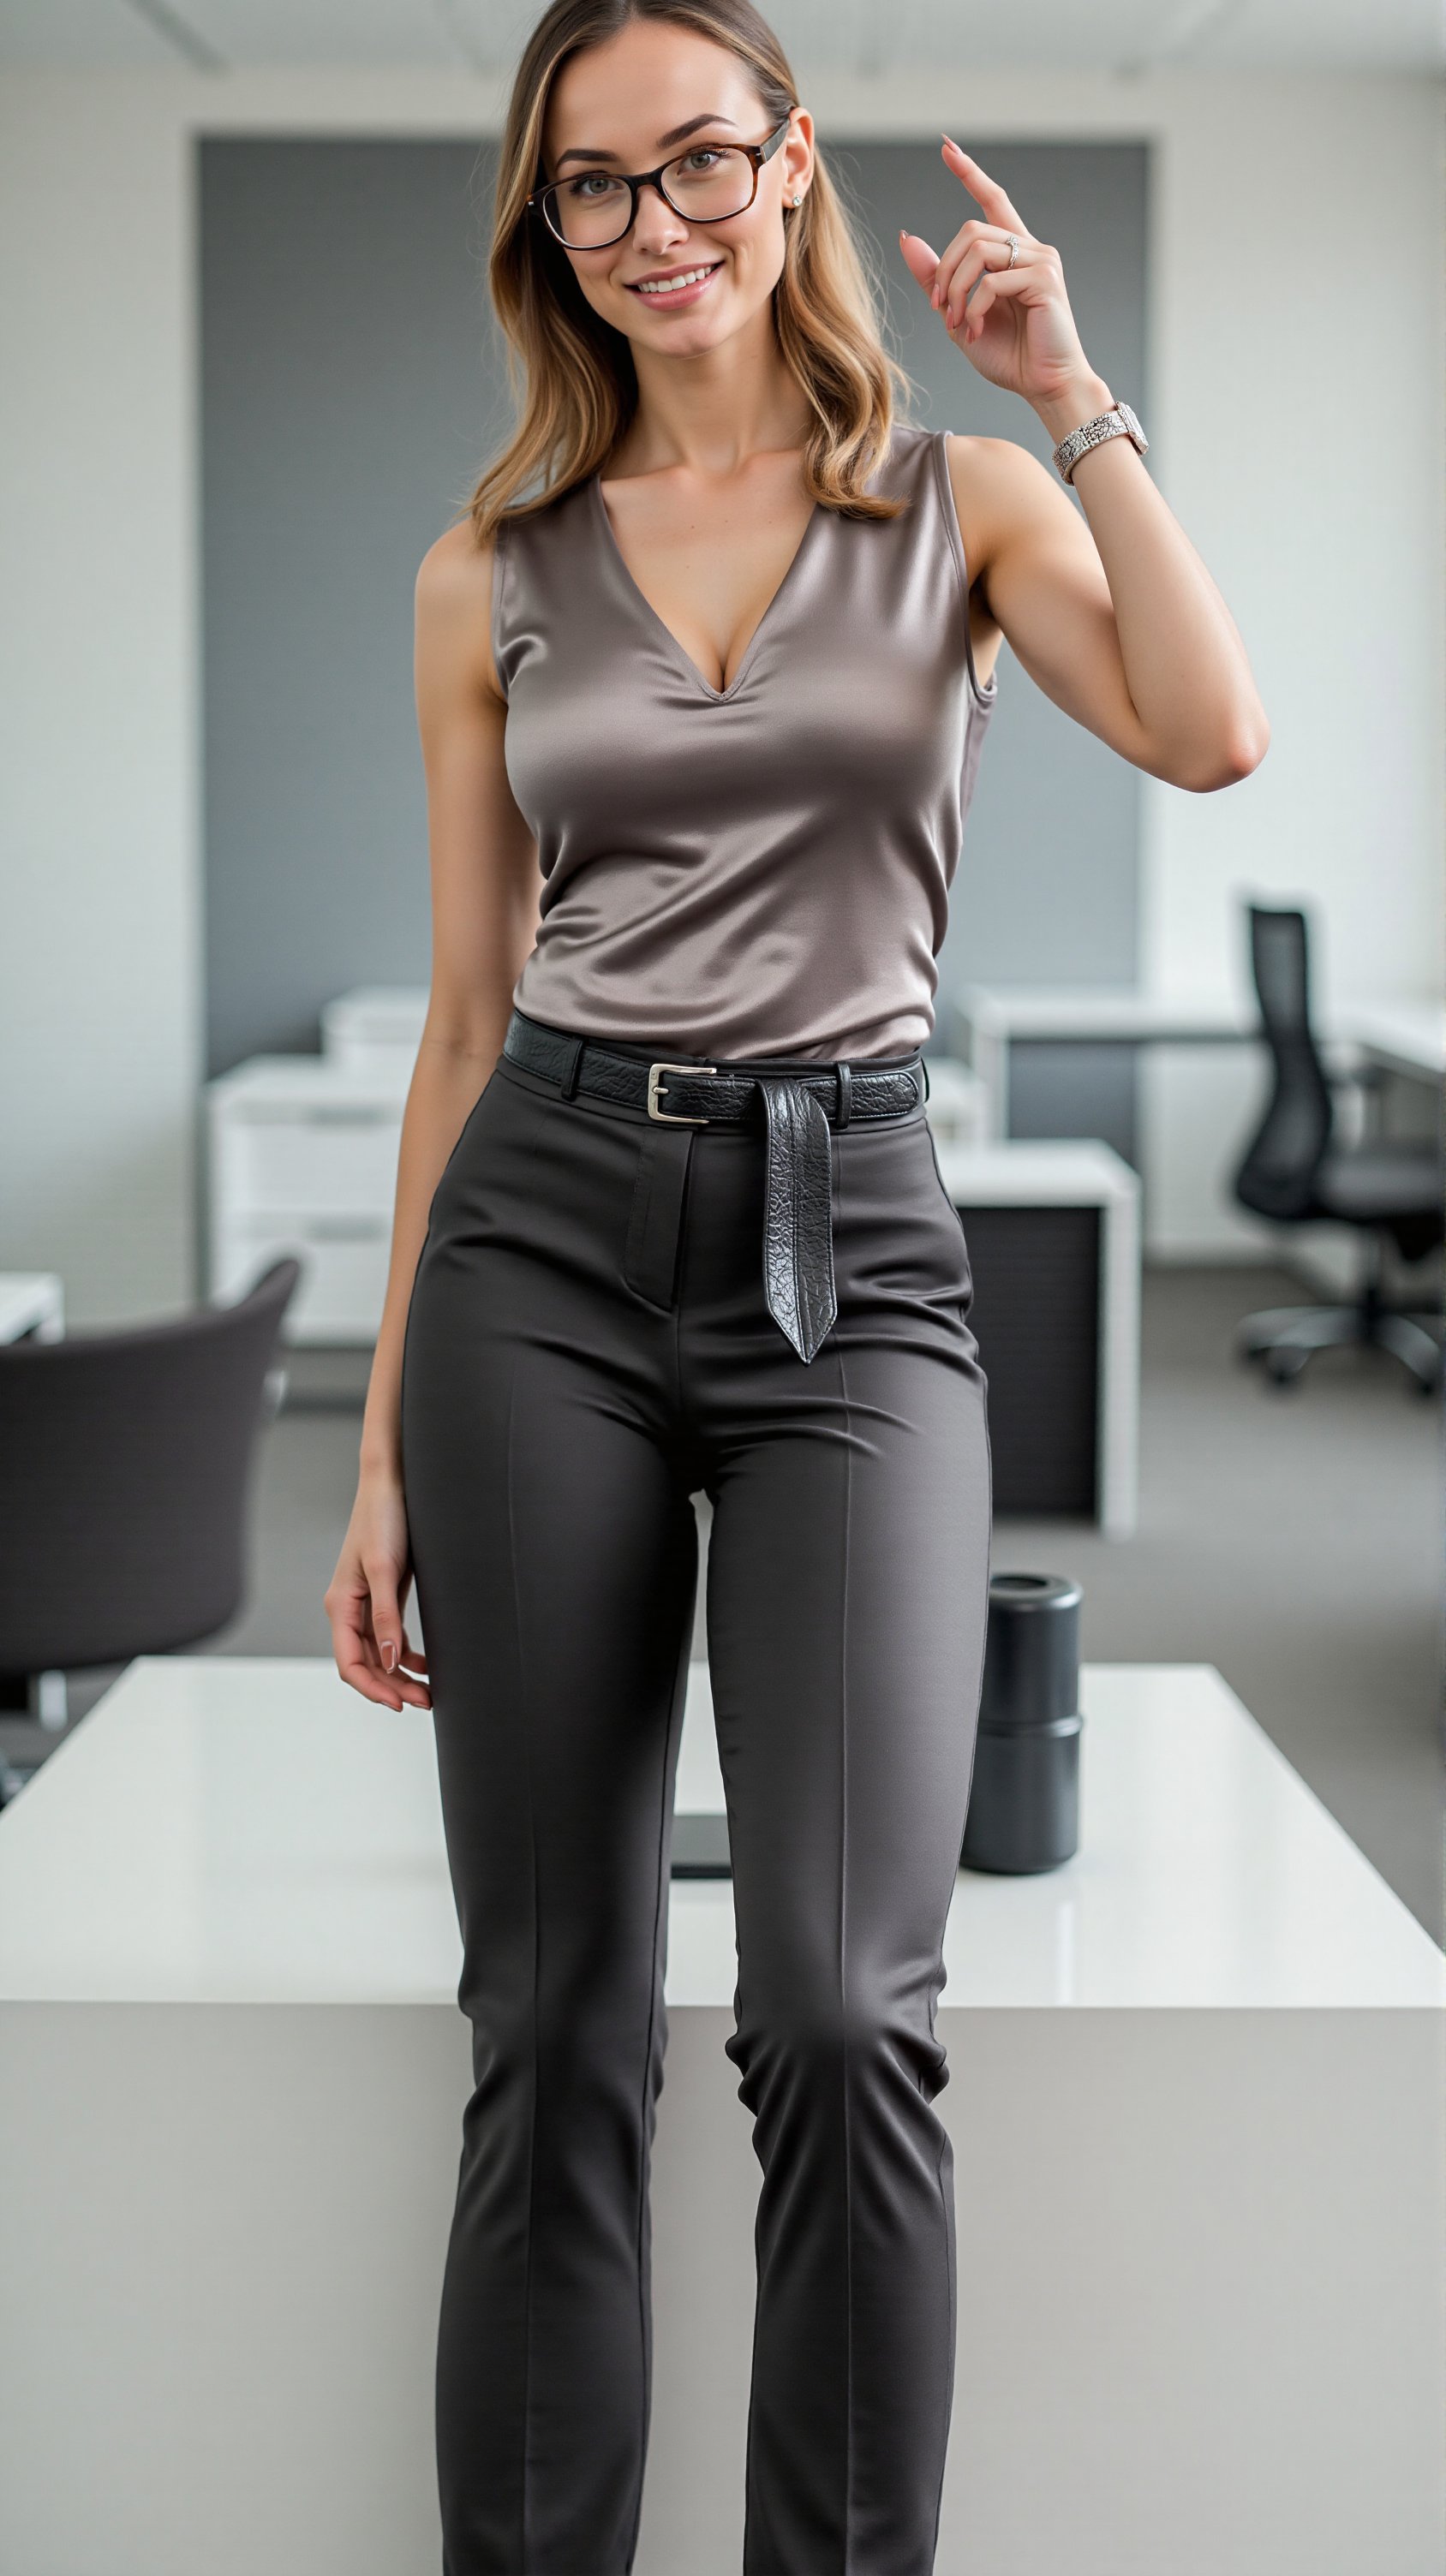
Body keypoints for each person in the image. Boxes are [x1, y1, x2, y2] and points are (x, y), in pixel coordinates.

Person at [324, 2, 1268, 2567]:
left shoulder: (954, 499)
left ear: (789, 158)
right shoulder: (485, 568)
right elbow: (467, 1018)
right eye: (592, 189)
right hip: (542, 1244)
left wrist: (1079, 394)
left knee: (849, 2014)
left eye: (696, 159)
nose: (655, 223)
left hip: (854, 1238)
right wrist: (387, 1444)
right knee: (553, 2025)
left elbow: (1209, 730)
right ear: (548, 230)